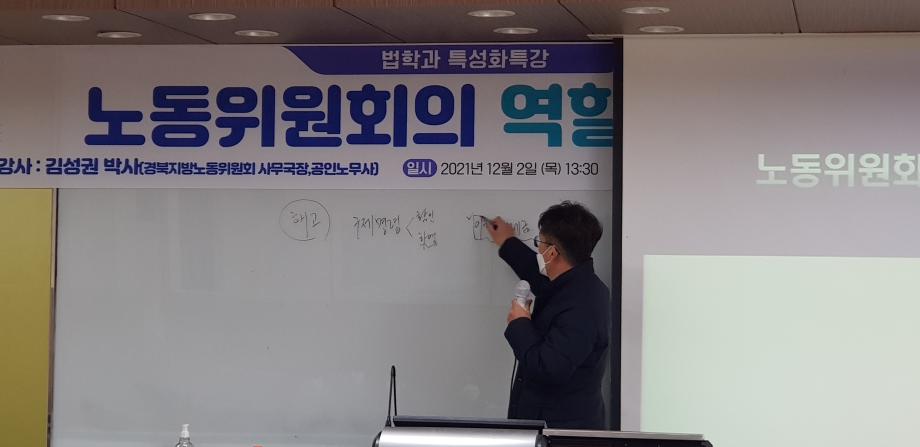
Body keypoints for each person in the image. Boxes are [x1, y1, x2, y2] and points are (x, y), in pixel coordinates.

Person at [486, 201, 610, 429]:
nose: (538, 250)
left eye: (539, 243)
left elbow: (548, 368)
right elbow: (537, 274)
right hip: (549, 425)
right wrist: (507, 241)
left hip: (563, 433)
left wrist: (520, 323)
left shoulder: (584, 304)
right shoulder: (572, 282)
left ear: (552, 252)